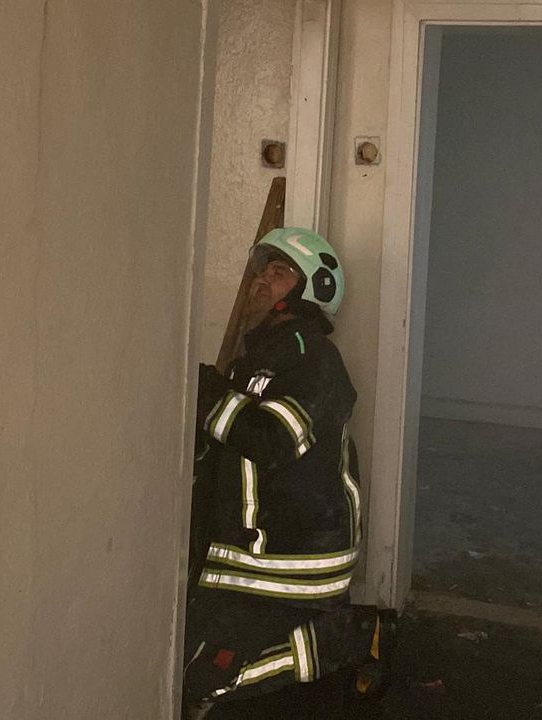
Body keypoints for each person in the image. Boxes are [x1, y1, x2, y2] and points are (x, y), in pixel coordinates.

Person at [183, 228, 381, 719]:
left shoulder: (312, 356)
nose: (260, 280)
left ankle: (339, 640)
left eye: (279, 271)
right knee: (179, 658)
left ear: (314, 289)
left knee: (196, 680)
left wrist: (204, 393)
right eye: (259, 269)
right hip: (245, 558)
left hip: (292, 562)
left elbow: (271, 439)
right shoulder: (259, 356)